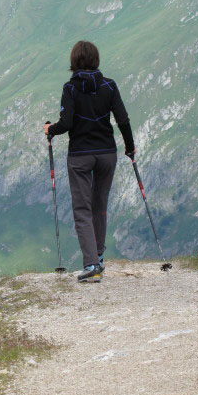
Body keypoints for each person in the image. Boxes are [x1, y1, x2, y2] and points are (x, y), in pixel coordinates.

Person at [44, 41, 135, 283]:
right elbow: (123, 120)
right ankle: (100, 257)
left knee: (82, 209)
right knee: (100, 206)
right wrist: (130, 147)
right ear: (96, 59)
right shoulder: (109, 85)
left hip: (80, 156)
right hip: (107, 153)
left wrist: (49, 129)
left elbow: (66, 124)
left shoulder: (70, 88)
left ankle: (92, 264)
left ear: (74, 61)